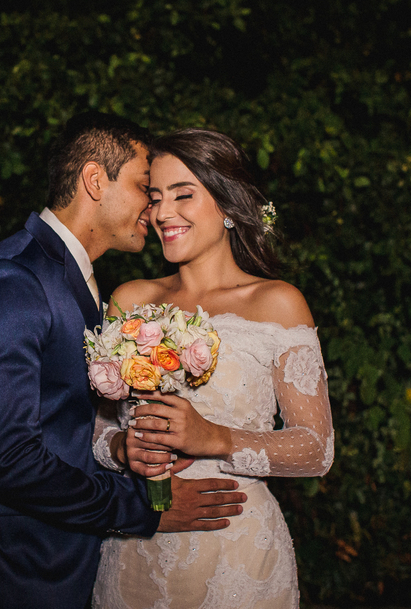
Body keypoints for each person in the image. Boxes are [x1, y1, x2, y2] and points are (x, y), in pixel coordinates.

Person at [0, 113, 248, 609]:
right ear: (95, 180)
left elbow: (69, 424)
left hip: (65, 575)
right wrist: (144, 510)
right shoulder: (11, 284)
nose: (155, 206)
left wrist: (122, 448)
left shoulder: (75, 282)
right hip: (3, 579)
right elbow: (5, 462)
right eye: (146, 187)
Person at [90, 128, 335, 609]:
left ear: (226, 205)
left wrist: (216, 438)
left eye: (184, 195)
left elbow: (316, 449)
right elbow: (93, 425)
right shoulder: (129, 300)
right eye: (155, 197)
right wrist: (122, 448)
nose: (162, 213)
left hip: (236, 554)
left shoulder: (277, 303)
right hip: (136, 548)